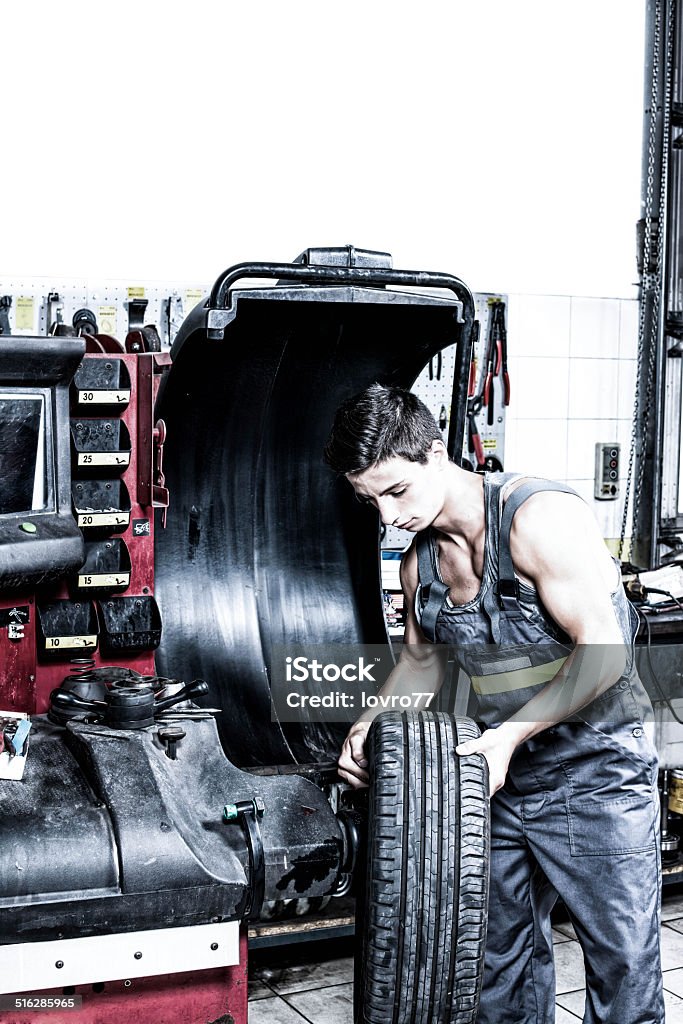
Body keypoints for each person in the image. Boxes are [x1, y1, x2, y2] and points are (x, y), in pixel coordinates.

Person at [323, 383, 663, 1024]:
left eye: (397, 491)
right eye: (372, 501)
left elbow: (605, 652)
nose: (389, 517)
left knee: (622, 971)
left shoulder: (538, 519)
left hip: (596, 776)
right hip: (495, 783)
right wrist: (370, 721)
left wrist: (505, 740)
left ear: (434, 454)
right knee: (493, 972)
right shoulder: (419, 563)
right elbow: (423, 665)